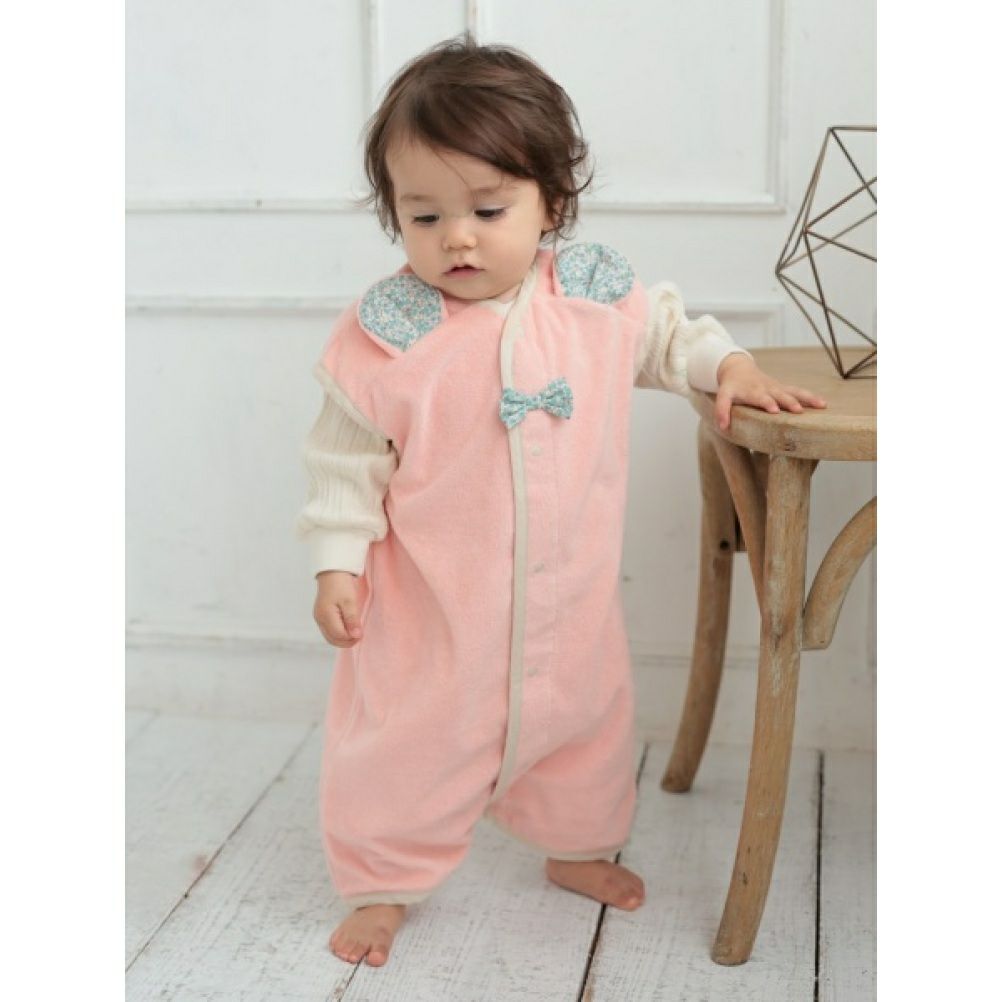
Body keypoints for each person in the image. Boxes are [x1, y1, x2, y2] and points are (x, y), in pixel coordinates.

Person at [296, 33, 826, 969]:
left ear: (552, 201)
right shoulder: (391, 338)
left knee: (583, 730)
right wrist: (336, 565)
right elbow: (344, 465)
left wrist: (731, 365)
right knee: (407, 749)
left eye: (487, 209)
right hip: (437, 614)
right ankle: (381, 883)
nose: (457, 237)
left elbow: (672, 338)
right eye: (424, 215)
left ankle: (577, 847)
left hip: (570, 604)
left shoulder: (593, 300)